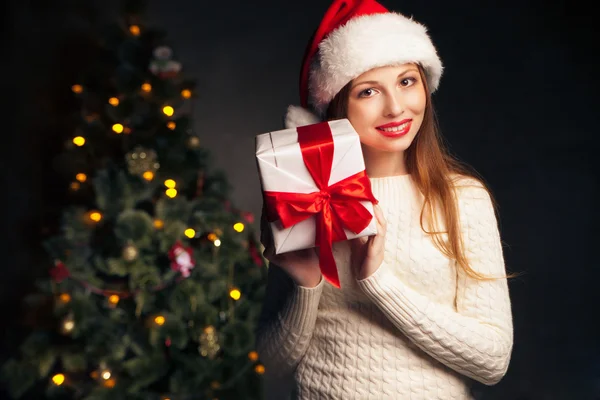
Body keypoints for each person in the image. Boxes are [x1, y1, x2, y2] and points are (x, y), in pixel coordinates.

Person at [256, 0, 514, 399]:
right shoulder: (306, 195)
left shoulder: (462, 199)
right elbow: (268, 365)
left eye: (407, 81)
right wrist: (305, 284)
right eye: (369, 91)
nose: (396, 107)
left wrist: (377, 282)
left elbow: (493, 361)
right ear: (337, 104)